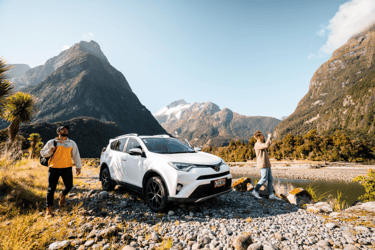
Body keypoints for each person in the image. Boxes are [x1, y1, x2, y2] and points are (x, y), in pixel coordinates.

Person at [40, 125, 81, 217]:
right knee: (51, 189)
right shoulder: (52, 142)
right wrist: (50, 151)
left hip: (67, 168)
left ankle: (62, 194)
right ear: (58, 132)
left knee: (69, 186)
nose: (66, 130)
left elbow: (76, 155)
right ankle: (49, 209)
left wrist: (78, 166)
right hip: (54, 168)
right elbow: (42, 153)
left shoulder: (72, 143)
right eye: (63, 129)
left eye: (66, 129)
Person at [251, 131, 281, 200]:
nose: (263, 136)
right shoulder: (257, 144)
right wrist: (269, 137)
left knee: (270, 179)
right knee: (264, 178)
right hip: (263, 164)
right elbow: (266, 145)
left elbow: (268, 144)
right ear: (258, 137)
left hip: (267, 164)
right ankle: (255, 191)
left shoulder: (261, 143)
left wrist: (269, 138)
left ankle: (271, 194)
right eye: (262, 135)